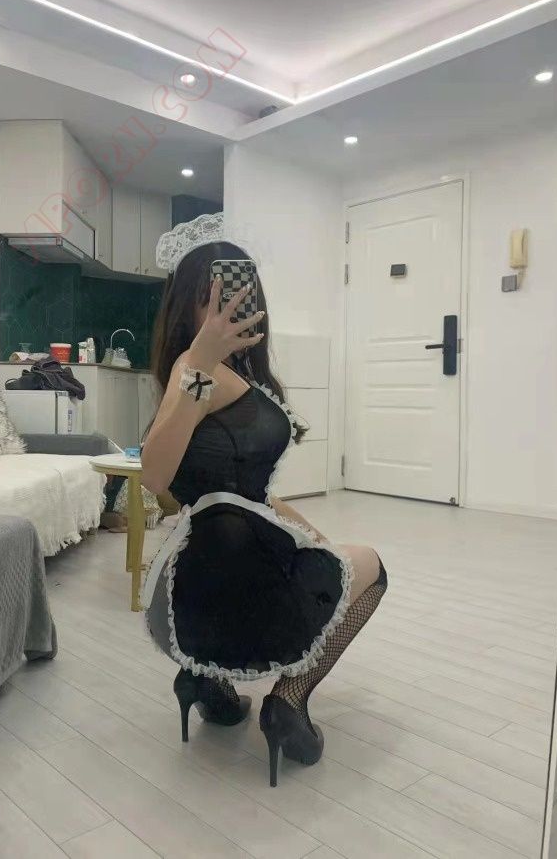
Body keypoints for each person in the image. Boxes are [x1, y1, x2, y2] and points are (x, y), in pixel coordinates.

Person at [141, 214, 387, 786]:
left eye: (242, 296)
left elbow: (244, 491)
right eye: (215, 299)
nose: (233, 310)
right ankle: (289, 701)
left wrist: (310, 535)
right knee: (373, 569)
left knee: (332, 556)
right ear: (188, 306)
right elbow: (154, 475)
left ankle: (209, 684)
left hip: (202, 578)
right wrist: (202, 359)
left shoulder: (211, 374)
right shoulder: (196, 374)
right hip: (238, 576)